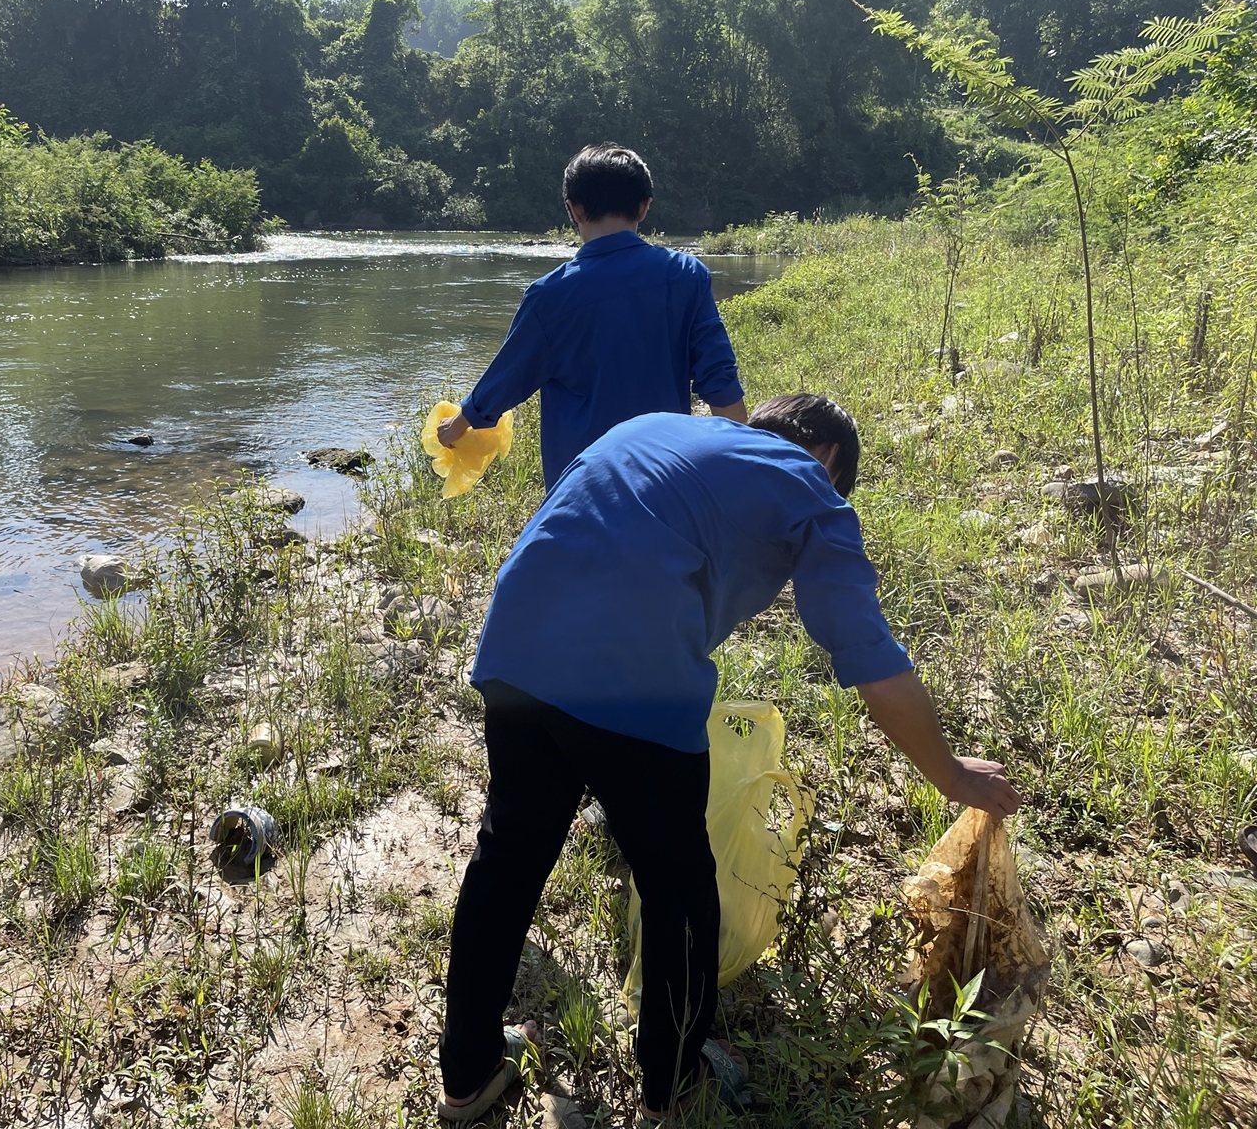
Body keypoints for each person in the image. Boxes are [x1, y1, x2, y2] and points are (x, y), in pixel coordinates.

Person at [437, 395, 1022, 1122]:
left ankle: (466, 1078)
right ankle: (673, 1090)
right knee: (679, 892)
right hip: (636, 678)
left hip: (516, 642)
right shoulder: (810, 488)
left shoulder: (652, 427)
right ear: (827, 459)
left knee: (508, 860)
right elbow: (875, 665)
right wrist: (953, 774)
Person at [436, 144, 746, 490]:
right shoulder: (688, 276)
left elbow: (504, 382)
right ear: (644, 208)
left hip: (583, 488)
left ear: (574, 209)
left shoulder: (549, 296)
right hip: (665, 479)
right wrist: (744, 468)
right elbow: (719, 380)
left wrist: (456, 426)